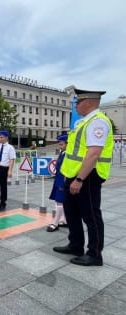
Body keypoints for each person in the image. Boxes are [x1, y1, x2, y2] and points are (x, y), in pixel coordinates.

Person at [53, 89, 114, 266]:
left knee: (91, 215)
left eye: (78, 102)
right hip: (73, 174)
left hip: (88, 176)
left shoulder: (98, 123)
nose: (76, 105)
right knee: (72, 213)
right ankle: (75, 245)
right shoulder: (82, 123)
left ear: (88, 102)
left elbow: (94, 153)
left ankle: (95, 254)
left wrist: (79, 179)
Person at [46, 134, 68, 232]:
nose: (60, 146)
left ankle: (55, 223)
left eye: (62, 144)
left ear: (68, 144)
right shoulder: (63, 153)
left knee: (59, 201)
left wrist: (64, 182)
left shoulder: (67, 154)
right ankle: (64, 220)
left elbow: (67, 169)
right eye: (59, 144)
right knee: (61, 201)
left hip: (62, 180)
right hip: (59, 179)